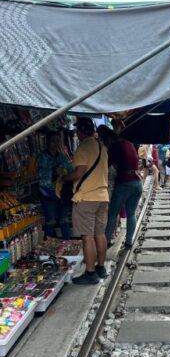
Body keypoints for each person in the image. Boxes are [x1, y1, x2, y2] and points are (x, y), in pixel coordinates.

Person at [63, 118, 109, 285]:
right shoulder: (101, 146)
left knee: (87, 236)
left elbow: (78, 173)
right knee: (100, 233)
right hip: (102, 197)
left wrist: (64, 178)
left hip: (87, 197)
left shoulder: (83, 147)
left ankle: (90, 273)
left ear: (81, 131)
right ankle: (101, 268)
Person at [97, 127, 143, 249]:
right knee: (131, 213)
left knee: (113, 213)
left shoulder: (115, 146)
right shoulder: (129, 143)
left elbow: (105, 164)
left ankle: (105, 241)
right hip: (137, 182)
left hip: (124, 183)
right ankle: (129, 242)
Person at [38, 131, 73, 239]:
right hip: (47, 193)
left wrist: (64, 171)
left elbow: (70, 169)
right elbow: (40, 175)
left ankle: (67, 246)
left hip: (62, 192)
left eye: (58, 141)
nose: (56, 143)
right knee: (51, 220)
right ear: (47, 142)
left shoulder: (62, 156)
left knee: (64, 220)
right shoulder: (42, 157)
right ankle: (48, 248)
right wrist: (54, 171)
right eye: (53, 141)